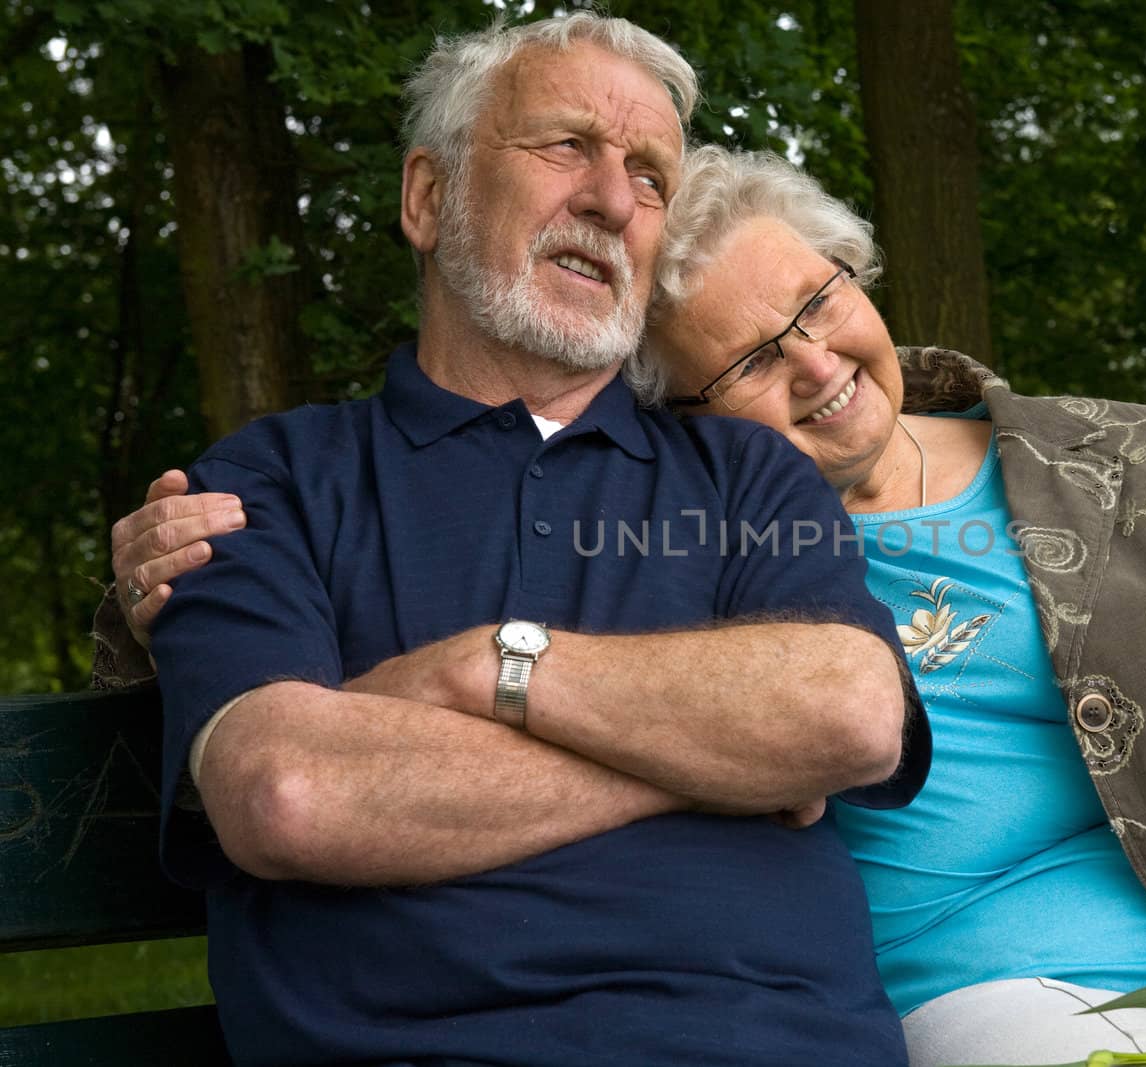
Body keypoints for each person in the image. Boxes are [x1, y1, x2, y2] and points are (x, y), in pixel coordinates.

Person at [102, 145, 1146, 1067]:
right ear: (680, 409)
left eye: (817, 301)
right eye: (749, 361)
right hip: (987, 992)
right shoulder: (682, 532)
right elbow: (392, 594)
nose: (815, 363)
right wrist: (157, 591)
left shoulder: (1129, 455)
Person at [100, 17, 931, 1067]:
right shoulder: (262, 486)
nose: (612, 199)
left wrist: (481, 664)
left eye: (648, 175)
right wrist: (723, 754)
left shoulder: (744, 470)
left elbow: (849, 715)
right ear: (428, 198)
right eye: (566, 146)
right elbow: (290, 790)